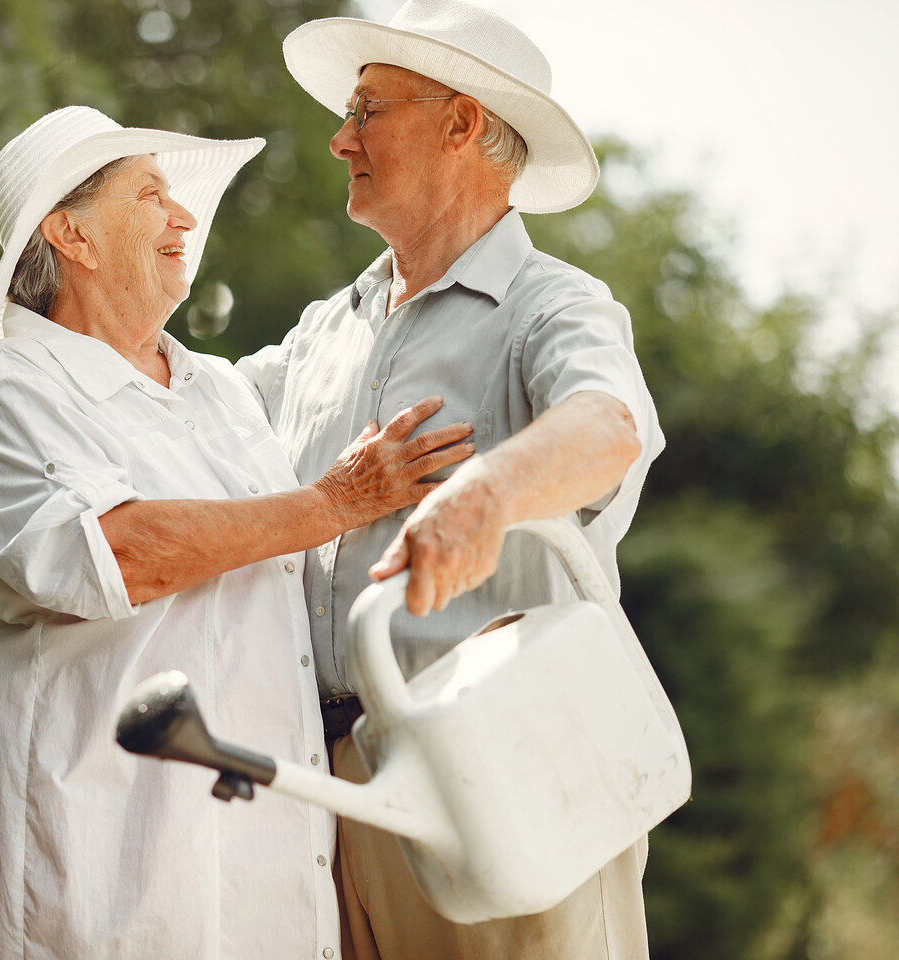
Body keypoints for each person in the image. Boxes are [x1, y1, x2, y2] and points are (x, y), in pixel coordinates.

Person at [0, 105, 475, 960]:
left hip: (265, 866)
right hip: (105, 865)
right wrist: (333, 503)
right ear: (70, 232)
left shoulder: (219, 390)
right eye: (151, 195)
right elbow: (117, 552)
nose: (184, 216)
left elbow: (342, 356)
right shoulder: (15, 383)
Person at [236, 2, 667, 958]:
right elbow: (186, 421)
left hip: (512, 779)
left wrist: (488, 493)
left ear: (461, 123)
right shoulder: (319, 334)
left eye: (366, 112)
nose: (340, 140)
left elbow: (609, 426)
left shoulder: (553, 304)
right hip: (333, 796)